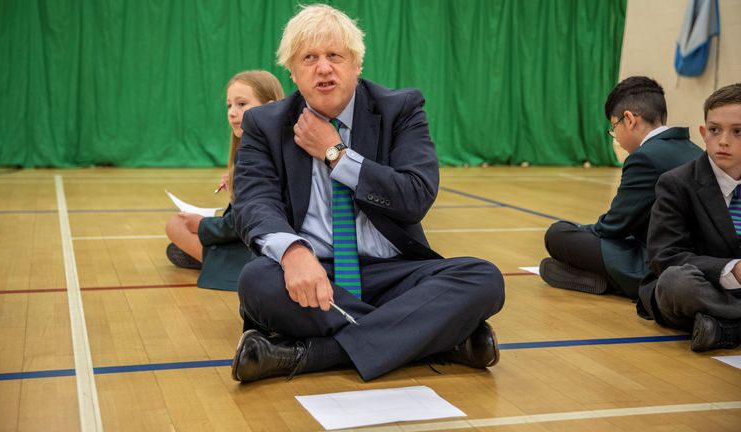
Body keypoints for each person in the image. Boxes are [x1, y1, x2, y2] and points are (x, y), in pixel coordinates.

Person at [230, 4, 505, 383]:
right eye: (309, 58)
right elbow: (253, 202)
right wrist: (294, 253)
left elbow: (416, 195)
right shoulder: (265, 123)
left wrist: (336, 155)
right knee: (256, 281)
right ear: (292, 71)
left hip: (392, 272)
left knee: (483, 278)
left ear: (356, 65)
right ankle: (435, 338)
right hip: (314, 272)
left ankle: (309, 355)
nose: (323, 68)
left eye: (334, 56)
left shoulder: (401, 109)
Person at [540, 76, 703, 299]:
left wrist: (579, 230)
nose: (614, 135)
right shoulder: (695, 151)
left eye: (613, 127)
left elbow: (613, 226)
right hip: (694, 258)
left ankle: (611, 280)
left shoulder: (644, 158)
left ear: (629, 120)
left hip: (655, 264)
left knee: (558, 234)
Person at [638, 83, 741, 352]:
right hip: (704, 287)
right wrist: (731, 269)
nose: (724, 141)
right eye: (715, 130)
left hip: (723, 303)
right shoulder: (676, 183)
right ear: (703, 133)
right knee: (675, 282)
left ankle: (726, 329)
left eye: (738, 132)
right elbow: (665, 256)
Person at [164, 70, 284, 291]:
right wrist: (237, 180)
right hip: (261, 239)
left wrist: (201, 224)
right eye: (229, 106)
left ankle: (215, 262)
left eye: (241, 104)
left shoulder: (253, 154)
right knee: (176, 241)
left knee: (176, 225)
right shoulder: (271, 146)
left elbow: (238, 225)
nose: (232, 113)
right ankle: (209, 257)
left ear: (269, 106)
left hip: (258, 247)